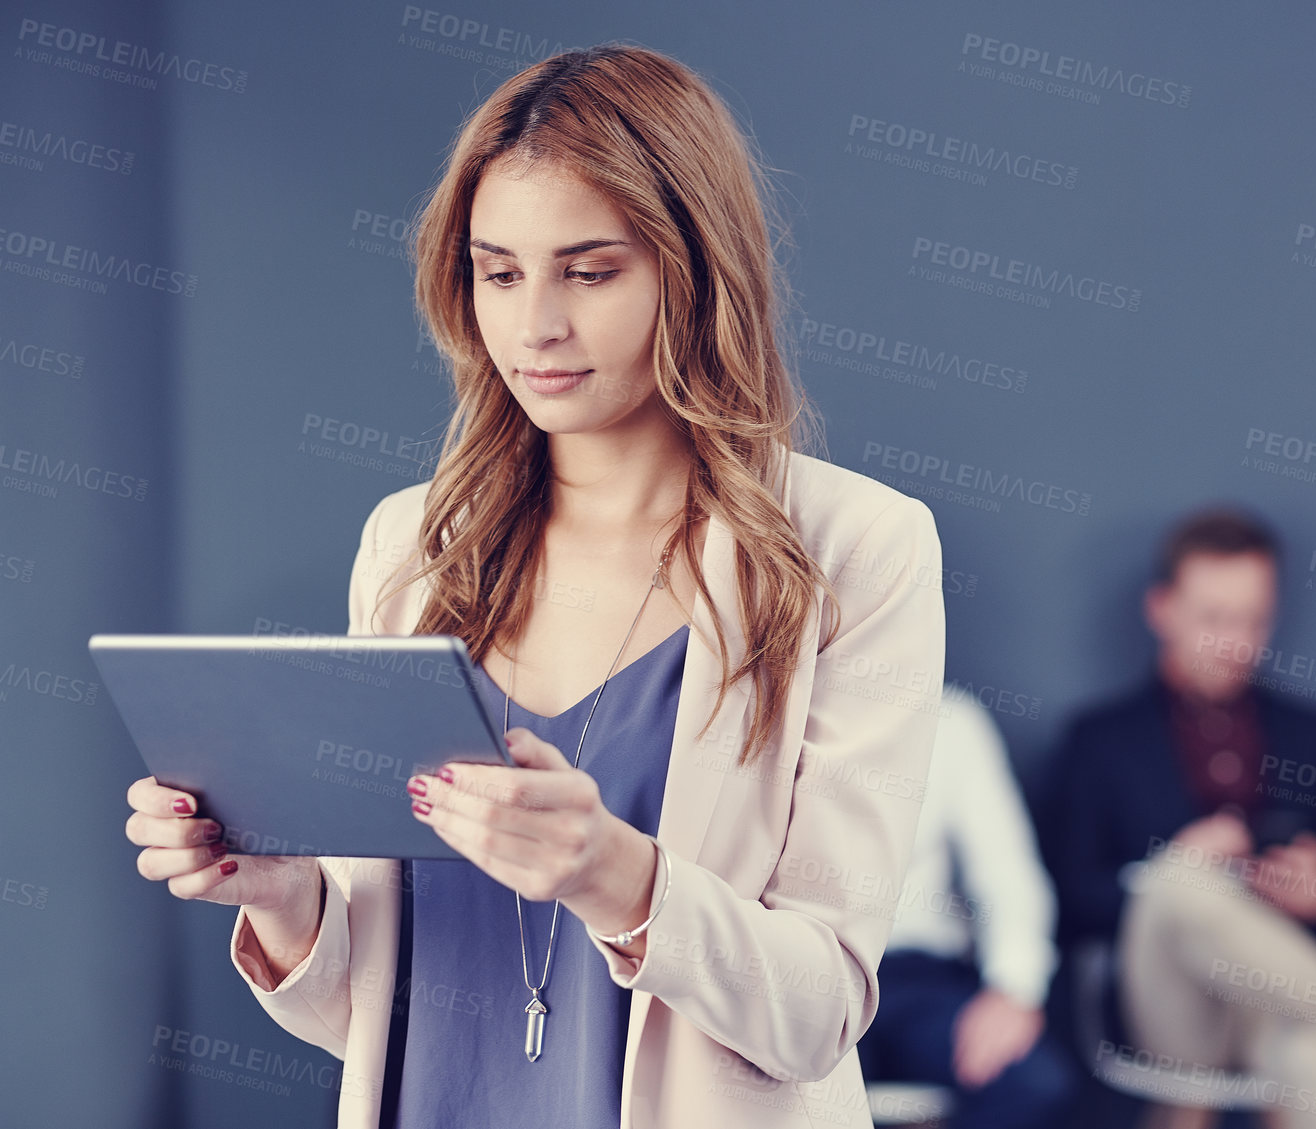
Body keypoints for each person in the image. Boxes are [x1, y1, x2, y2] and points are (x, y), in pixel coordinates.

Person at [122, 45, 946, 1129]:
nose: (534, 326)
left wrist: (617, 875)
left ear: (693, 269)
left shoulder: (855, 548)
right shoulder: (414, 546)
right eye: (498, 271)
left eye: (590, 271)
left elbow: (817, 1013)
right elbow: (379, 1015)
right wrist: (281, 897)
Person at [1045, 507, 1316, 1129]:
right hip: (1169, 1003)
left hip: (1290, 998)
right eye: (1215, 618)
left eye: (1253, 619)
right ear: (1162, 609)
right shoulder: (1099, 740)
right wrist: (1171, 867)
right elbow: (1070, 897)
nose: (1236, 642)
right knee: (1182, 878)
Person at [857, 683, 1078, 1128]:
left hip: (918, 980)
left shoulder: (951, 721)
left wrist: (1013, 989)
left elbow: (1007, 874)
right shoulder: (768, 708)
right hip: (801, 975)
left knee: (1033, 1082)